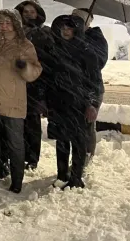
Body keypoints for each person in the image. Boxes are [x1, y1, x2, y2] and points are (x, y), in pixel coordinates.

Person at [0, 9, 42, 193]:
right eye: (0, 23)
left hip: (12, 101)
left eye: (7, 23)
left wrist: (24, 66)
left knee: (15, 143)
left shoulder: (24, 45)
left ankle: (17, 179)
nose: (3, 26)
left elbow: (35, 72)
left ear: (15, 24)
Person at [46, 15, 99, 189]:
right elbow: (48, 76)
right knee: (62, 141)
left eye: (69, 28)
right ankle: (62, 174)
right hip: (59, 103)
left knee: (79, 142)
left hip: (79, 104)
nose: (66, 31)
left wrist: (92, 104)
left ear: (76, 30)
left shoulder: (86, 52)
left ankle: (76, 176)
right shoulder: (55, 49)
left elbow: (94, 81)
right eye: (63, 28)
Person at [14, 0, 53, 170]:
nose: (29, 14)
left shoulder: (44, 33)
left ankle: (32, 157)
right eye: (26, 12)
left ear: (38, 14)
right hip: (15, 82)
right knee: (16, 122)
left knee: (32, 122)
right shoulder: (14, 32)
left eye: (32, 12)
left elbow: (48, 61)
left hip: (35, 84)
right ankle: (17, 155)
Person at [72, 8, 108, 164]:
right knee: (75, 125)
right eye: (73, 17)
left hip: (91, 89)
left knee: (87, 124)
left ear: (88, 22)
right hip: (73, 88)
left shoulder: (96, 38)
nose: (75, 21)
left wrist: (83, 43)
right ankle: (77, 157)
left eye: (80, 18)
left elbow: (98, 62)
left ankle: (87, 157)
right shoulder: (70, 35)